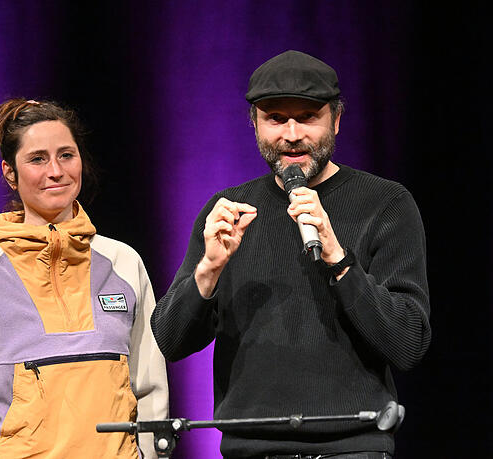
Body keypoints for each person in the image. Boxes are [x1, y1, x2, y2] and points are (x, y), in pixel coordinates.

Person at [151, 50, 431, 458]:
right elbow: (170, 341)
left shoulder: (385, 204)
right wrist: (209, 269)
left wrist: (337, 256)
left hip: (352, 448)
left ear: (336, 119)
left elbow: (408, 342)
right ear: (255, 124)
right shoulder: (228, 211)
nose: (292, 134)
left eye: (308, 117)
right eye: (276, 119)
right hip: (252, 449)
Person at [0, 98, 168, 458]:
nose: (56, 171)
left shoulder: (123, 262)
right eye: (37, 159)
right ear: (9, 172)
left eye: (66, 155)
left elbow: (151, 384)